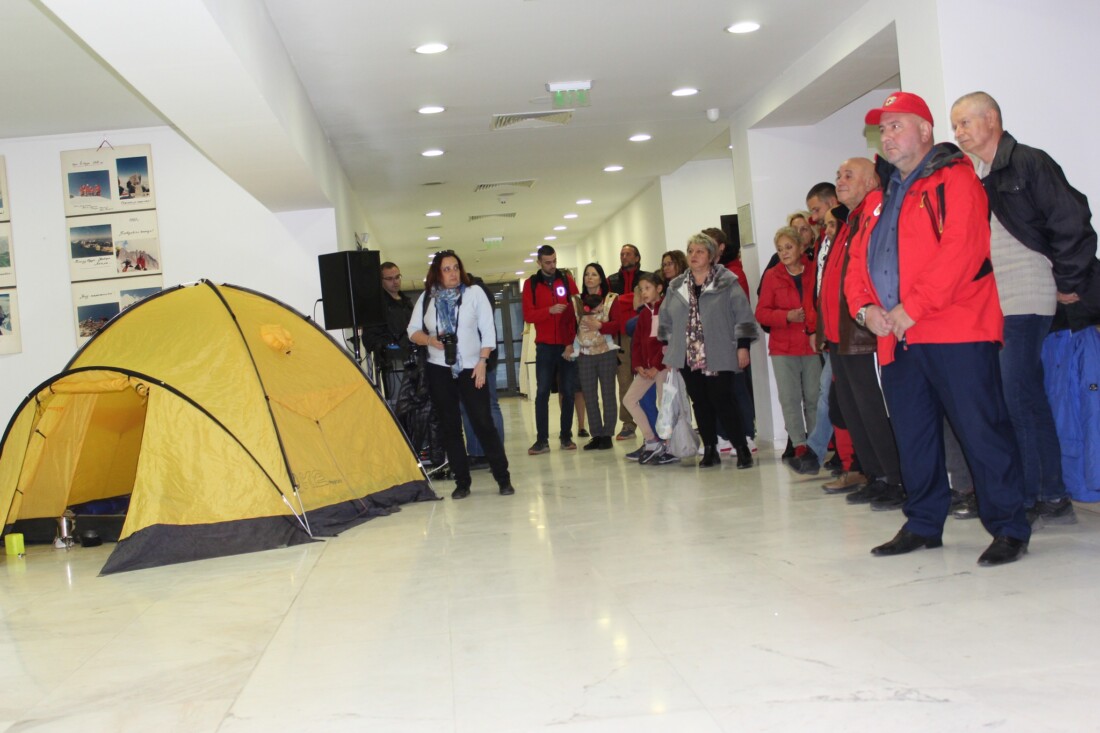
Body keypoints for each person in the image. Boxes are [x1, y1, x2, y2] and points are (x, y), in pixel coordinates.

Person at [845, 91, 1030, 565]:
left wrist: (911, 308)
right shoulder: (878, 201)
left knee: (981, 430)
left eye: (896, 125)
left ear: (925, 130)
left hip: (956, 331)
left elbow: (963, 252)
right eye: (882, 129)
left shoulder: (956, 178)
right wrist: (866, 310)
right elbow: (857, 267)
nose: (886, 136)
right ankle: (924, 522)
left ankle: (1009, 526)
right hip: (896, 339)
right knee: (914, 436)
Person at [950, 91, 1097, 525]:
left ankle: (1033, 495)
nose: (958, 132)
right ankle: (1049, 493)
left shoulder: (1028, 162)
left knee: (1017, 395)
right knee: (1023, 395)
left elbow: (1073, 220)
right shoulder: (977, 175)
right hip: (997, 301)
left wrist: (1070, 282)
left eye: (965, 123)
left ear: (992, 119)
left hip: (1029, 294)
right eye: (955, 125)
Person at [823, 160, 905, 506]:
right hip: (839, 335)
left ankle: (895, 479)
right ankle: (875, 474)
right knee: (854, 410)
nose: (839, 181)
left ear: (872, 181)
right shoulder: (848, 220)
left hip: (861, 334)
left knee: (873, 409)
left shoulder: (875, 211)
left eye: (848, 175)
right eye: (838, 175)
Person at [408, 250, 514, 499]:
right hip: (439, 369)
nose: (453, 273)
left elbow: (488, 331)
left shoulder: (474, 293)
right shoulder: (427, 298)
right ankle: (462, 482)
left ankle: (503, 477)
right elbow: (412, 330)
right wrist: (429, 340)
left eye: (456, 267)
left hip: (471, 368)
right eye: (447, 269)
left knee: (483, 422)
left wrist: (483, 362)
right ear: (437, 273)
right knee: (450, 428)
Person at [659, 232, 757, 468]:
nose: (693, 255)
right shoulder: (676, 286)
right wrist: (669, 348)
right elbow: (665, 319)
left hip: (719, 352)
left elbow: (742, 316)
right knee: (700, 402)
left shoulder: (727, 282)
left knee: (723, 400)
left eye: (699, 251)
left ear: (711, 256)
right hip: (687, 355)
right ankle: (710, 449)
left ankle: (742, 448)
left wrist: (743, 347)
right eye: (691, 251)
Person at [756, 226, 822, 466]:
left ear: (800, 246)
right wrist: (786, 316)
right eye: (779, 249)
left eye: (788, 247)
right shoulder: (773, 275)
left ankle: (816, 445)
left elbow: (820, 305)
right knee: (790, 398)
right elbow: (761, 313)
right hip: (783, 348)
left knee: (815, 397)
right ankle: (799, 444)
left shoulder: (814, 270)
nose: (784, 253)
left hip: (811, 344)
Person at [522, 245, 580, 454]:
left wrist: (570, 342)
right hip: (545, 346)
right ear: (539, 263)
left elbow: (577, 311)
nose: (552, 265)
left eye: (554, 261)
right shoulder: (531, 284)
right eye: (547, 262)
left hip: (566, 345)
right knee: (543, 393)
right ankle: (542, 440)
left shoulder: (566, 280)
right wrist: (549, 311)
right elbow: (528, 315)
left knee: (568, 391)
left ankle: (566, 437)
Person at [564, 263, 619, 450]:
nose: (589, 277)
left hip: (607, 352)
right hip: (585, 354)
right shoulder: (576, 301)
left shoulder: (611, 299)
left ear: (601, 278)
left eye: (594, 274)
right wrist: (569, 344)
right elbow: (568, 324)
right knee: (589, 395)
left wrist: (602, 326)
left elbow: (618, 324)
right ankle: (596, 434)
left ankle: (607, 434)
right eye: (587, 274)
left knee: (608, 394)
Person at [623, 273, 673, 464]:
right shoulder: (643, 314)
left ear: (659, 289)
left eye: (647, 288)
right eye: (641, 289)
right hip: (647, 369)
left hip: (663, 367)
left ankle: (669, 445)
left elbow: (667, 341)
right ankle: (652, 439)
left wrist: (657, 365)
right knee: (630, 400)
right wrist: (638, 365)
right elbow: (636, 343)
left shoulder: (666, 310)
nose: (643, 292)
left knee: (665, 405)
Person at [460, 274, 505, 470]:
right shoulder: (483, 290)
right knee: (490, 405)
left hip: (478, 359)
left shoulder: (472, 293)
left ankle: (479, 454)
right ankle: (495, 451)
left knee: (472, 407)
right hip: (485, 357)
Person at [607, 244, 649, 440]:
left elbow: (645, 299)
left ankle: (650, 420)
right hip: (621, 337)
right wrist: (632, 298)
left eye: (628, 254)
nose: (624, 257)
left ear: (637, 257)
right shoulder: (611, 280)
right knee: (624, 381)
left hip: (643, 334)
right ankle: (628, 423)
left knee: (647, 378)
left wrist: (622, 299)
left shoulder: (647, 277)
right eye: (621, 254)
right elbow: (610, 304)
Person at [364, 261, 414, 403]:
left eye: (397, 277)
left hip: (414, 360)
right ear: (381, 281)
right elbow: (369, 338)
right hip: (394, 363)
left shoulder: (407, 303)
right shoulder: (377, 307)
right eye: (390, 279)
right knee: (399, 404)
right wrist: (389, 345)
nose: (395, 282)